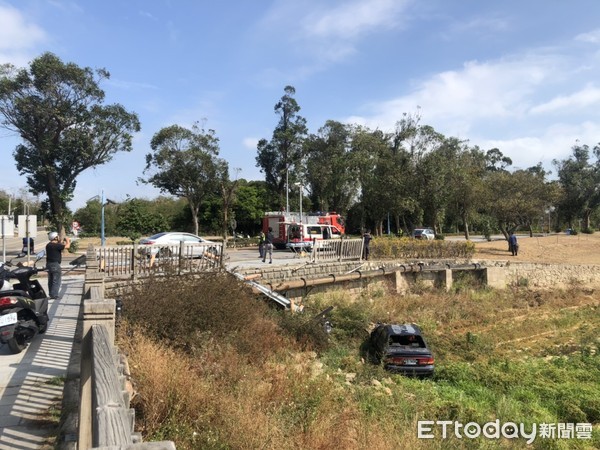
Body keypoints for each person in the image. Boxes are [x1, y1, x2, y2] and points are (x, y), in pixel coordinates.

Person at [46, 231, 71, 299]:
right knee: (56, 280)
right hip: (55, 265)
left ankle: (51, 294)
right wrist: (68, 241)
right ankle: (54, 295)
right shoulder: (56, 245)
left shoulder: (48, 245)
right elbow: (67, 246)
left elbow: (60, 245)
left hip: (48, 264)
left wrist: (61, 241)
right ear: (55, 237)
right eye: (58, 236)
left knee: (50, 280)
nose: (59, 237)